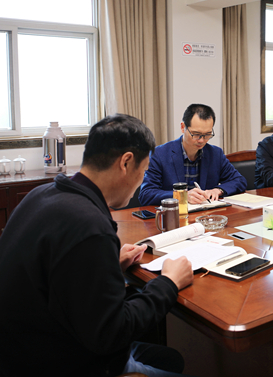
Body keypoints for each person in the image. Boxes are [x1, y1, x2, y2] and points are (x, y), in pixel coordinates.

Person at [0, 114, 194, 377]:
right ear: (126, 162)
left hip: (25, 348)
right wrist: (169, 282)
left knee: (170, 359)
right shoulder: (89, 226)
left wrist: (110, 264)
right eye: (144, 171)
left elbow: (57, 275)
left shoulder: (42, 195)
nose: (141, 181)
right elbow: (111, 333)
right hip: (62, 361)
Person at [139, 103, 247, 206]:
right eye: (196, 134)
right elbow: (146, 194)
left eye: (207, 134)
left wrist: (218, 190)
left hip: (206, 213)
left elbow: (239, 180)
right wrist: (182, 196)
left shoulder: (215, 154)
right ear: (183, 127)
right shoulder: (159, 154)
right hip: (174, 215)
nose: (201, 140)